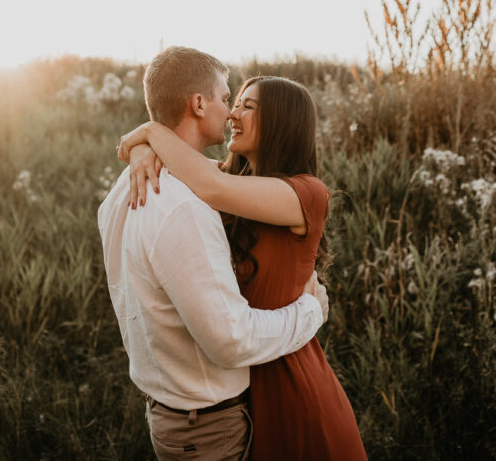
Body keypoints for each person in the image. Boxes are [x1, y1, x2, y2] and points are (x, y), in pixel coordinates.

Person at [119, 73, 368, 461]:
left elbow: (205, 183)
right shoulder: (233, 177)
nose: (233, 114)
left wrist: (150, 130)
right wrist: (142, 149)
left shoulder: (304, 192)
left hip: (290, 379)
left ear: (282, 122)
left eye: (247, 107)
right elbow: (188, 165)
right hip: (241, 382)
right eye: (234, 103)